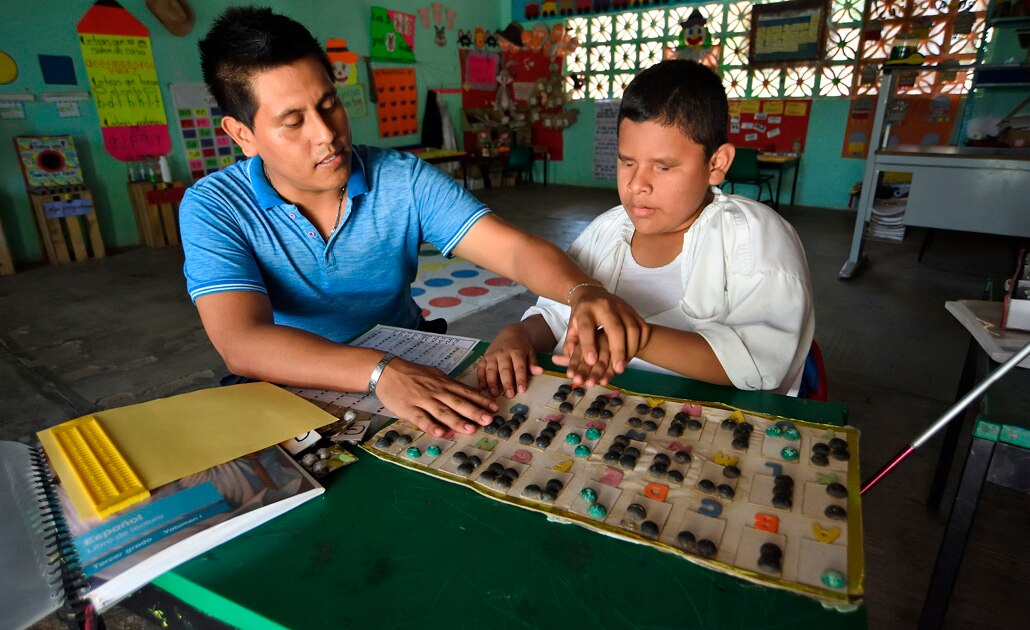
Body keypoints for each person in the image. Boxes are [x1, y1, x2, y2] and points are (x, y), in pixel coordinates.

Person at [178, 7, 646, 439]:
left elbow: (513, 250)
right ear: (243, 135)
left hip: (409, 356)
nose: (326, 135)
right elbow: (244, 342)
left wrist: (581, 290)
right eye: (293, 122)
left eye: (328, 105)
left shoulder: (401, 180)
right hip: (294, 376)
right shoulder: (214, 207)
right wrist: (380, 372)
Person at [479, 60, 814, 397]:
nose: (637, 184)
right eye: (627, 162)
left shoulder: (755, 238)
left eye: (664, 167)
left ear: (716, 164)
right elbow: (557, 316)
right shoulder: (605, 232)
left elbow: (760, 362)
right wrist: (518, 335)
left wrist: (634, 338)